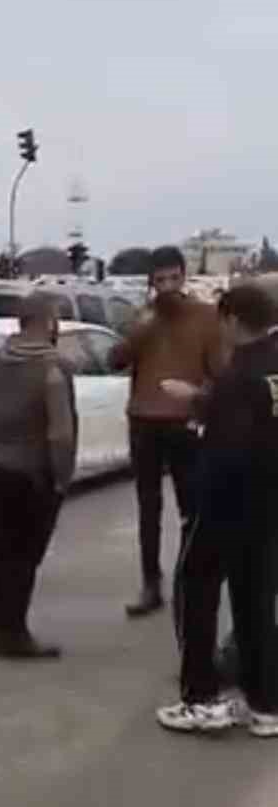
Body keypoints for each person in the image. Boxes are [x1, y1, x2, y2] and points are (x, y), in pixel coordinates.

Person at [158, 282, 278, 736]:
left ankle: (201, 697)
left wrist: (195, 413)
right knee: (256, 600)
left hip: (227, 502)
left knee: (198, 588)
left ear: (231, 319)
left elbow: (227, 443)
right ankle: (265, 703)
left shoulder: (238, 374)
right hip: (268, 502)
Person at [110, 246, 225, 618]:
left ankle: (190, 578)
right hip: (144, 420)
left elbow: (220, 373)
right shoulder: (143, 318)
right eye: (160, 280)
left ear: (184, 276)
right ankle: (150, 582)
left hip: (184, 422)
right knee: (148, 506)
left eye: (174, 278)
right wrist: (140, 330)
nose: (168, 287)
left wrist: (201, 402)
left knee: (191, 505)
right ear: (151, 283)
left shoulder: (206, 318)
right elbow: (115, 360)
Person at [0, 293, 77, 659]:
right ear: (49, 321)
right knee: (24, 556)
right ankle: (14, 634)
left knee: (0, 549)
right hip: (34, 474)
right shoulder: (53, 368)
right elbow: (61, 432)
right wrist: (62, 477)